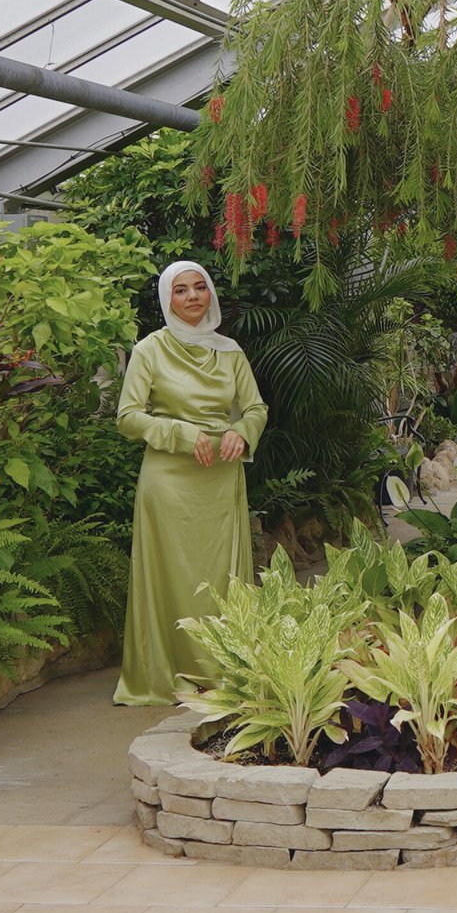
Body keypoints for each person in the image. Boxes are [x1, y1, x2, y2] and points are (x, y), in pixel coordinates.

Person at [112, 261, 268, 707]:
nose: (193, 296)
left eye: (200, 287)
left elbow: (255, 407)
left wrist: (241, 431)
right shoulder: (150, 350)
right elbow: (127, 417)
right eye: (180, 290)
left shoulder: (230, 351)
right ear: (167, 299)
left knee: (220, 577)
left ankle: (224, 669)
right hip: (169, 482)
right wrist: (182, 435)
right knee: (171, 577)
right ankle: (167, 674)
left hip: (221, 479)